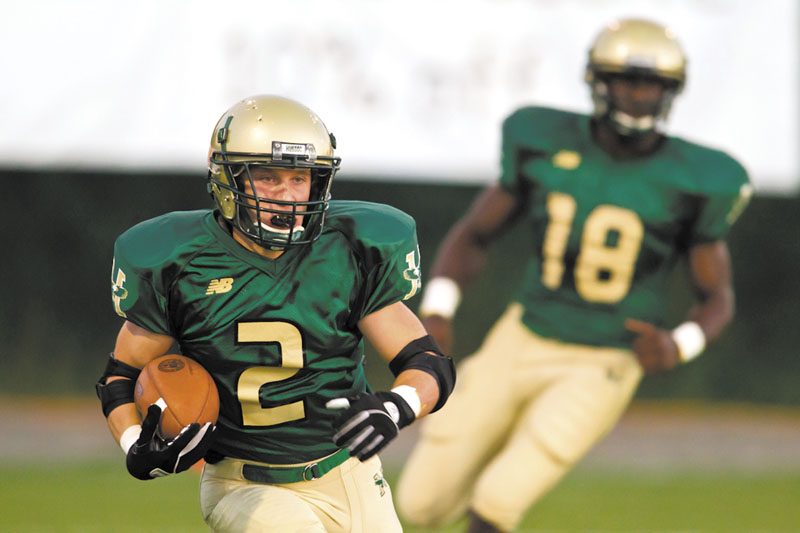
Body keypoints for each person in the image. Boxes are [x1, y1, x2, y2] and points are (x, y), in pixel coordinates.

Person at [396, 18, 752, 533]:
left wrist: (681, 344)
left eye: (652, 84)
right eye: (627, 79)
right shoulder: (541, 138)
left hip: (606, 355)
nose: (638, 94)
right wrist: (439, 308)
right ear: (597, 81)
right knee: (421, 503)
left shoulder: (698, 179)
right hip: (524, 332)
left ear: (671, 92)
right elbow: (475, 234)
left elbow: (717, 295)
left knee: (498, 499)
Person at [95, 95, 455, 532]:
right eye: (267, 178)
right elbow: (121, 376)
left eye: (299, 179)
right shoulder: (180, 260)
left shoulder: (349, 249)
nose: (286, 196)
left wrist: (396, 407)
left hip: (350, 472)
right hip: (243, 483)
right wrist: (136, 445)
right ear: (228, 180)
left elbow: (427, 363)